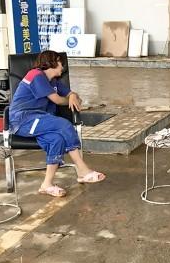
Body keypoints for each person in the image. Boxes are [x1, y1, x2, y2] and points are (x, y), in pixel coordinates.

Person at [7, 50, 105, 197]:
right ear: (51, 63)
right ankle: (82, 169)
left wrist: (72, 95)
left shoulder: (53, 82)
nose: (62, 66)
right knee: (64, 125)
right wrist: (69, 99)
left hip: (39, 119)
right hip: (23, 120)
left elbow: (72, 94)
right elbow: (58, 100)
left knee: (56, 139)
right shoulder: (35, 75)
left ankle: (46, 184)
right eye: (60, 63)